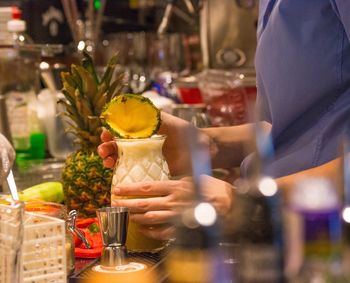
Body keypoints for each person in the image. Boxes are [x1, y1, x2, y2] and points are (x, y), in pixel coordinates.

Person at [98, 0, 350, 240]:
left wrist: (242, 202)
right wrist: (207, 144)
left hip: (328, 238)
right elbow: (302, 129)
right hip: (278, 231)